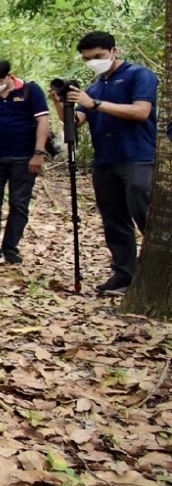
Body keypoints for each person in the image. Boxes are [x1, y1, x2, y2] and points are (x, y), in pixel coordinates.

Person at [48, 31, 159, 295]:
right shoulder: (96, 86)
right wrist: (60, 104)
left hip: (138, 158)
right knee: (114, 221)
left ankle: (158, 274)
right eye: (87, 59)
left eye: (98, 56)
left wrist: (94, 103)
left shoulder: (138, 75)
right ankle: (124, 276)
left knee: (145, 215)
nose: (93, 62)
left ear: (113, 51)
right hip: (105, 162)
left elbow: (142, 111)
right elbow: (74, 122)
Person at [0, 60, 49, 267]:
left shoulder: (31, 91)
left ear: (9, 76)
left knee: (19, 204)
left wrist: (38, 153)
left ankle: (10, 248)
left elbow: (43, 121)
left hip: (24, 157)